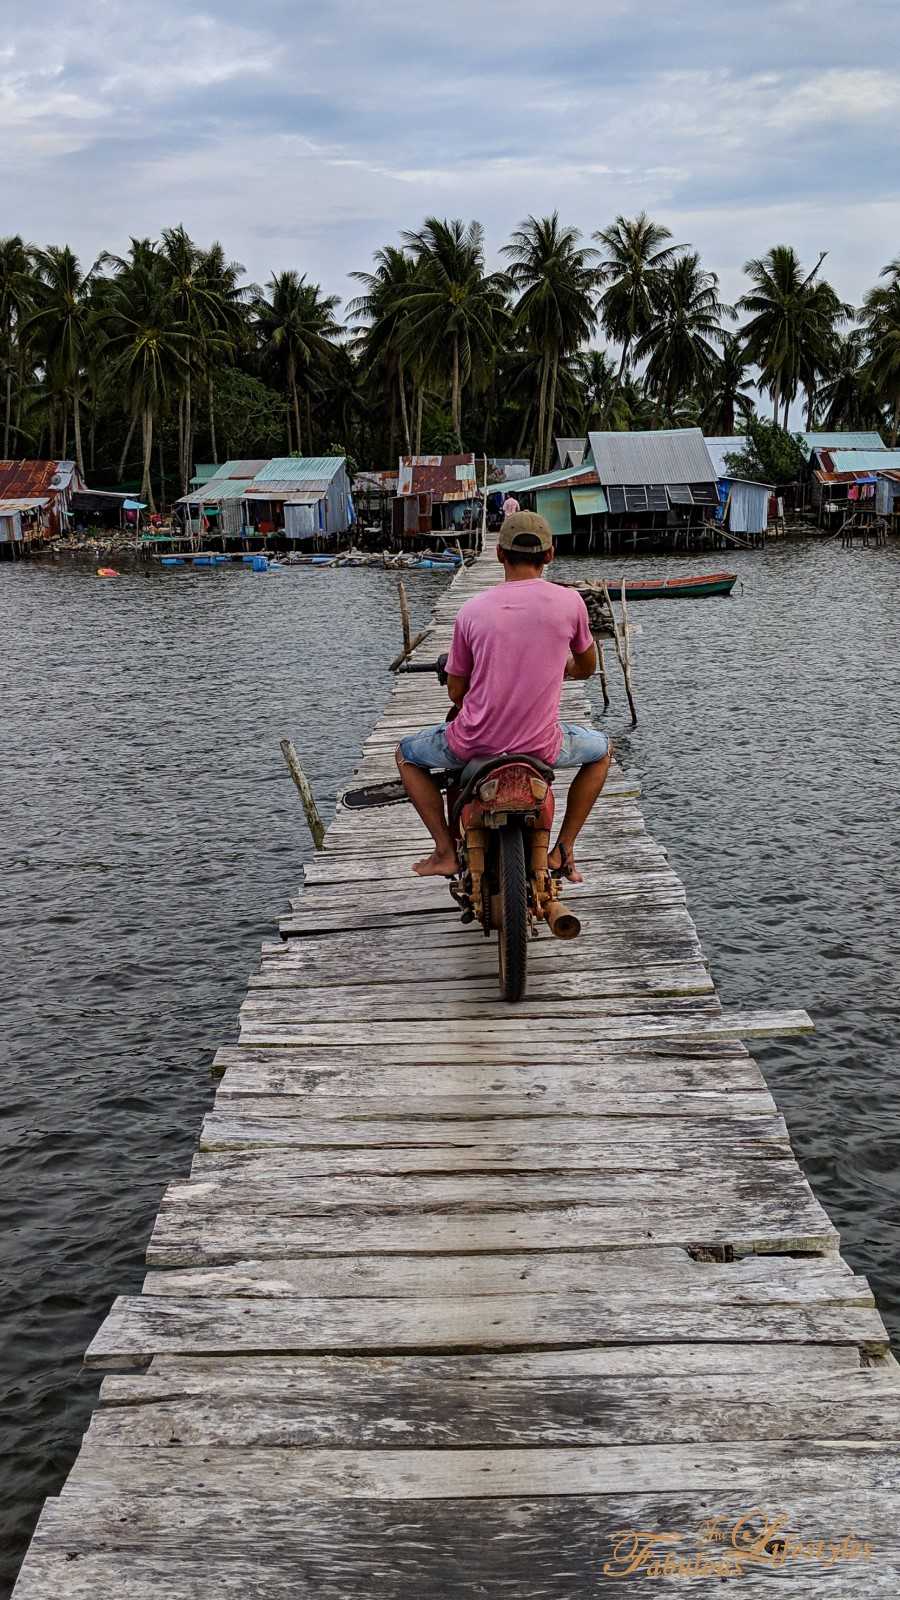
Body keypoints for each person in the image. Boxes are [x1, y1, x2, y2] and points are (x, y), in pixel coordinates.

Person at [396, 511, 611, 880]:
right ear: (550, 554)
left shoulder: (471, 611)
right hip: (543, 746)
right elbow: (586, 666)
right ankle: (564, 848)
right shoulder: (571, 603)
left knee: (406, 754)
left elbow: (456, 690)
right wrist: (562, 669)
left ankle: (445, 851)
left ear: (499, 555)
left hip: (473, 745)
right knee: (603, 751)